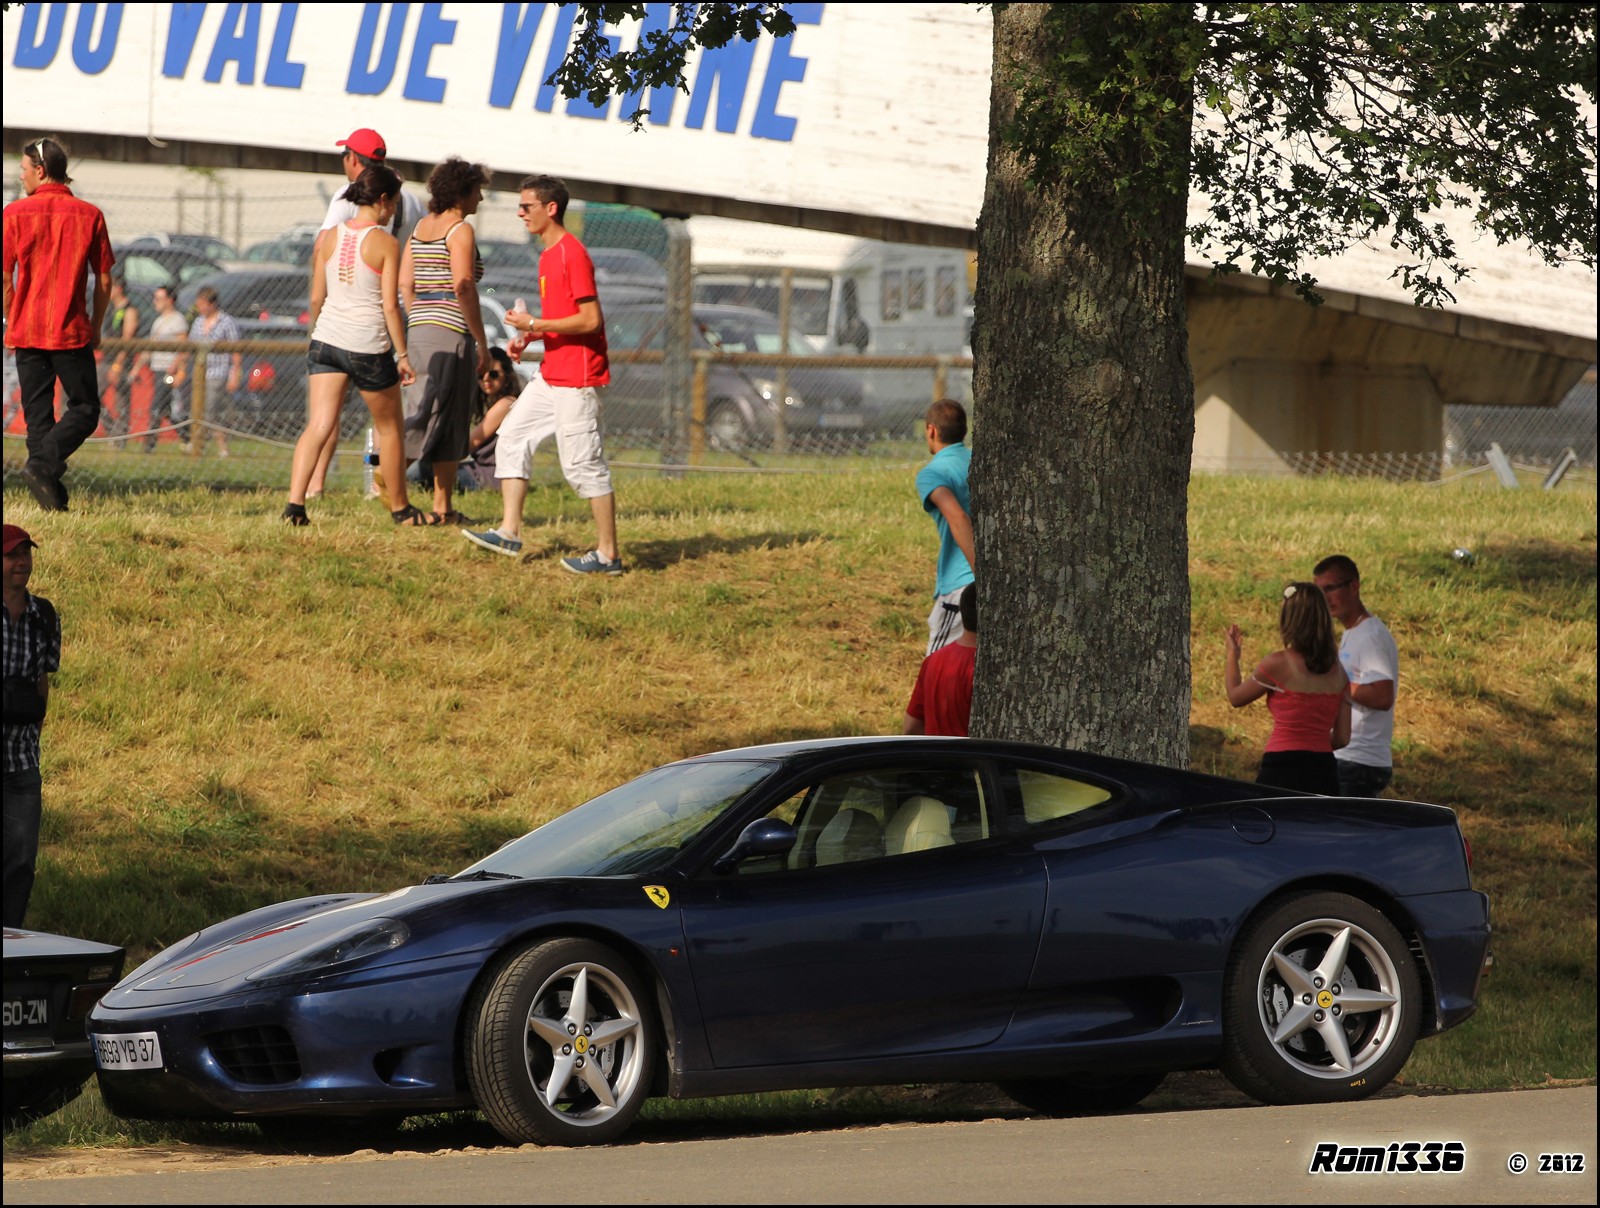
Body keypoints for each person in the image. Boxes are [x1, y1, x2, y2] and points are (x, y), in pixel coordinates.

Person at [463, 175, 622, 574]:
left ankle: (609, 556)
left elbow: (589, 319)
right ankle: (509, 532)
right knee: (512, 436)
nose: (520, 213)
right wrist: (529, 338)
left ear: (551, 208)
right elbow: (563, 322)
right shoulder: (547, 255)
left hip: (578, 380)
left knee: (583, 465)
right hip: (553, 375)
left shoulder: (571, 253)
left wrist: (533, 322)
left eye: (526, 206)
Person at [283, 165, 427, 527]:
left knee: (318, 424)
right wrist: (404, 354)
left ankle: (295, 506)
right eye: (394, 202)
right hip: (368, 345)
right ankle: (400, 509)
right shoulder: (385, 242)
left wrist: (322, 331)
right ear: (382, 200)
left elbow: (316, 297)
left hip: (326, 340)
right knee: (390, 427)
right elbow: (390, 305)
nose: (394, 210)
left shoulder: (330, 236)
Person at [3, 137, 115, 511]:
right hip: (70, 329)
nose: (20, 177)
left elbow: (5, 278)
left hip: (28, 328)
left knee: (37, 417)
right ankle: (46, 483)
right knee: (84, 409)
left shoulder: (14, 214)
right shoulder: (89, 215)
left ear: (40, 170)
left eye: (23, 169)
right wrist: (97, 324)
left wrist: (9, 319)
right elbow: (104, 279)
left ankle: (40, 468)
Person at [400, 156, 491, 524]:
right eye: (478, 191)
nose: (481, 200)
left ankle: (443, 506)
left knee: (430, 410)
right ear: (462, 191)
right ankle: (391, 487)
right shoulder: (460, 231)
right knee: (442, 414)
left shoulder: (421, 227)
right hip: (451, 331)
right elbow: (463, 284)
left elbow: (405, 283)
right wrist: (481, 340)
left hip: (420, 329)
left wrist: (419, 315)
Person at [1225, 583, 1352, 796]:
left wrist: (1232, 656)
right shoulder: (1340, 673)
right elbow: (1342, 738)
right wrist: (1312, 743)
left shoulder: (1278, 664)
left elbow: (1235, 697)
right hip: (1323, 770)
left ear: (1290, 619)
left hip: (1281, 767)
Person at [2, 524, 60, 927]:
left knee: (21, 861)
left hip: (22, 760)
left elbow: (43, 676)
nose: (22, 561)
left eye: (27, 553)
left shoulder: (45, 615)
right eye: (12, 555)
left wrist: (37, 720)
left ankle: (10, 945)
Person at [1314, 554, 1400, 797]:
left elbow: (1382, 696)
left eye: (1330, 588)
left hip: (1358, 761)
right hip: (1349, 756)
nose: (1325, 598)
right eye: (1320, 591)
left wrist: (1335, 685)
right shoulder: (1353, 632)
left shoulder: (1371, 635)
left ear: (1354, 586)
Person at [916, 398, 975, 654]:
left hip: (962, 589)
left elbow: (957, 517)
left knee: (936, 672)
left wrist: (983, 576)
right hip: (1000, 579)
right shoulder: (981, 461)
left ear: (931, 430)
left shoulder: (933, 473)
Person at [904, 582, 977, 736]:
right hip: (975, 759)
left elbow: (911, 728)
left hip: (935, 758)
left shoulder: (933, 661)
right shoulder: (987, 670)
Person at [181, 285, 242, 456]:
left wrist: (235, 373)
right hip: (199, 373)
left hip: (219, 373)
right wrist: (179, 365)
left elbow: (235, 350)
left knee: (208, 410)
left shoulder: (226, 322)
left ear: (212, 303)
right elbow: (190, 346)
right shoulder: (198, 322)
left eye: (202, 304)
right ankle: (219, 447)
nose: (199, 308)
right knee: (202, 410)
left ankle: (198, 444)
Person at [458, 345, 522, 490]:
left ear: (506, 375)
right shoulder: (491, 403)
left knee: (422, 471)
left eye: (493, 374)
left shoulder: (506, 403)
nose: (486, 379)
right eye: (481, 375)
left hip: (491, 476)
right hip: (479, 469)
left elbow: (471, 443)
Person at [143, 285, 189, 451]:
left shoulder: (178, 320)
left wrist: (175, 366)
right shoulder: (158, 321)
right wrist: (136, 368)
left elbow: (184, 346)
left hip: (169, 370)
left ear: (170, 300)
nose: (155, 302)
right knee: (166, 410)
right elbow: (150, 347)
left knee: (157, 406)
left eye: (159, 298)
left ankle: (150, 444)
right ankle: (188, 436)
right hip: (158, 368)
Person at [101, 274, 140, 449]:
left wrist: (118, 365)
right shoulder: (110, 309)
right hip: (105, 359)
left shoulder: (129, 310)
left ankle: (120, 440)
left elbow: (127, 339)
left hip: (121, 362)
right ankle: (113, 430)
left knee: (121, 401)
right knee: (90, 396)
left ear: (119, 289)